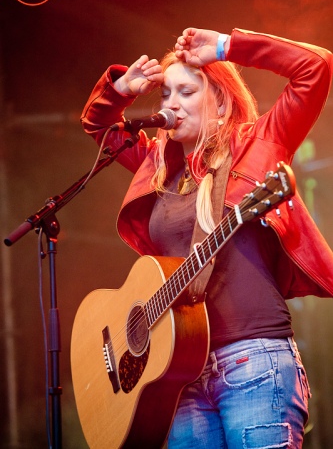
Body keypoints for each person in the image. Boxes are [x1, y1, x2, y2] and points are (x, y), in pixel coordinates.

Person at [81, 27, 333, 448]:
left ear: (219, 99)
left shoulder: (259, 142)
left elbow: (316, 66)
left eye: (186, 91)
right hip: (178, 377)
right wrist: (121, 89)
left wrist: (226, 47)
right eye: (165, 94)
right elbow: (100, 128)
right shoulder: (155, 165)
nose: (171, 103)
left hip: (254, 362)